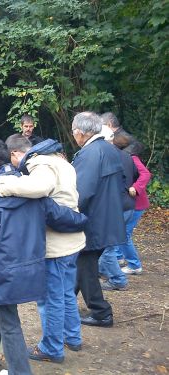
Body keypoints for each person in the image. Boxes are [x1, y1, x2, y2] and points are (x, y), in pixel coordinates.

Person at [0, 138, 86, 374]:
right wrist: (84, 220)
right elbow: (61, 216)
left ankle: (19, 370)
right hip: (31, 266)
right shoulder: (32, 189)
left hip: (3, 270)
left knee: (8, 317)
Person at [71, 111, 125, 328]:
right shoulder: (110, 149)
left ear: (80, 133)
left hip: (93, 221)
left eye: (74, 132)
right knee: (82, 264)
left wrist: (68, 216)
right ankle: (65, 298)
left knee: (85, 266)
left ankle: (102, 312)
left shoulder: (90, 153)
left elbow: (81, 192)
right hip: (108, 217)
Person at [97, 126, 137, 291]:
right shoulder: (127, 156)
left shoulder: (107, 157)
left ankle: (118, 280)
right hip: (128, 205)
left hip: (117, 207)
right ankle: (101, 271)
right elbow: (134, 175)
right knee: (112, 244)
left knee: (108, 247)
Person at [118, 138, 151, 275]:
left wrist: (135, 187)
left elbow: (146, 174)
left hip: (136, 203)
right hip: (130, 203)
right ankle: (119, 257)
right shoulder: (124, 157)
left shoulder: (131, 158)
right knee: (121, 231)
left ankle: (134, 264)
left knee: (124, 233)